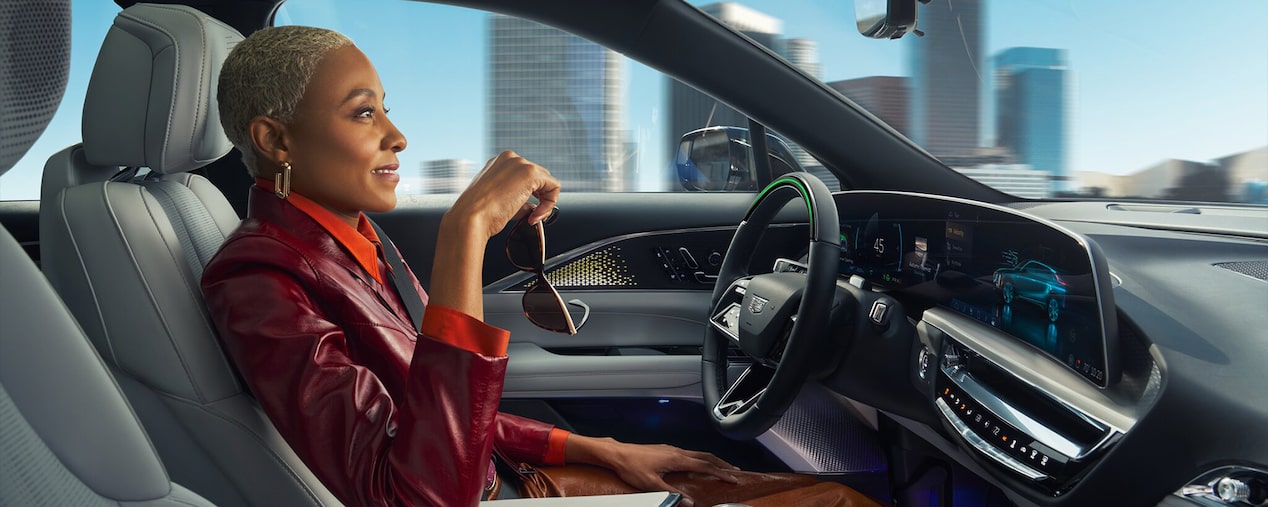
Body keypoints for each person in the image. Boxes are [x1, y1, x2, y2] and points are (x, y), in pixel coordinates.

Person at [202, 25, 877, 507]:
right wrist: (466, 233)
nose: (396, 135)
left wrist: (602, 449)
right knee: (835, 501)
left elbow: (431, 410)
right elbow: (422, 494)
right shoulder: (261, 279)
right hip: (486, 490)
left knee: (796, 489)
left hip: (513, 479)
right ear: (275, 138)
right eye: (363, 112)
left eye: (388, 108)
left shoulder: (352, 238)